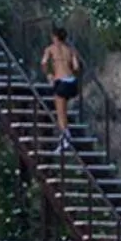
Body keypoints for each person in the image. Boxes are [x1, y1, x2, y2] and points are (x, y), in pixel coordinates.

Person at [41, 26, 82, 154]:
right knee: (64, 110)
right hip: (72, 82)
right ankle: (65, 136)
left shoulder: (50, 49)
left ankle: (65, 137)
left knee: (60, 112)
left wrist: (49, 75)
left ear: (55, 37)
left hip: (61, 81)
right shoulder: (71, 50)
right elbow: (76, 67)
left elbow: (43, 63)